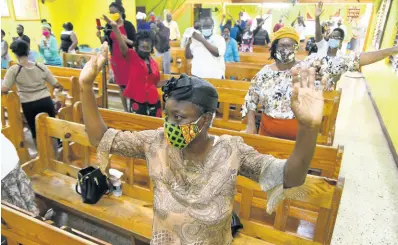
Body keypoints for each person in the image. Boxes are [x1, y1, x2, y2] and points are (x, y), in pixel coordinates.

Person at [79, 40, 325, 245]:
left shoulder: (231, 150)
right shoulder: (156, 142)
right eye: (167, 116)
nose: (170, 126)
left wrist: (308, 128)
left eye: (179, 117)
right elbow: (100, 138)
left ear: (206, 119)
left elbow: (291, 177)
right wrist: (86, 86)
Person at [243, 26, 398, 140]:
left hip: (299, 136)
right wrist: (251, 124)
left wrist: (390, 51)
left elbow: (354, 60)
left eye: (290, 45)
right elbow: (251, 99)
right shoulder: (264, 73)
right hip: (267, 135)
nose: (286, 49)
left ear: (297, 47)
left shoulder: (309, 66)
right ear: (274, 47)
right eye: (282, 45)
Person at [2, 40, 63, 140]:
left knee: (36, 133)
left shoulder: (13, 70)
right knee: (52, 131)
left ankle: (42, 154)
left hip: (29, 104)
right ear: (28, 51)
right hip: (45, 101)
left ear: (15, 53)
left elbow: (4, 89)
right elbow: (57, 85)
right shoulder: (41, 66)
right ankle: (55, 154)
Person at [103, 15, 162, 117]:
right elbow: (122, 47)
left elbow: (156, 83)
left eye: (148, 43)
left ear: (151, 46)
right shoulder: (132, 56)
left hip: (154, 101)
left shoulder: (154, 63)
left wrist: (172, 82)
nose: (145, 45)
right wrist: (116, 28)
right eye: (142, 44)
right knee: (138, 128)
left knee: (155, 128)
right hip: (138, 101)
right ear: (137, 44)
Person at [97, 1, 136, 112]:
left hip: (128, 58)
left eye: (114, 12)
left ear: (120, 12)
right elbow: (104, 42)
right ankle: (125, 110)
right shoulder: (109, 26)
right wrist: (100, 37)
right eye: (110, 12)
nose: (112, 14)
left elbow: (136, 43)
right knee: (121, 86)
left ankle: (133, 107)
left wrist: (126, 39)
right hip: (116, 59)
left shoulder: (128, 25)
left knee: (131, 84)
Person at [1, 133, 40, 216]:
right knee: (24, 209)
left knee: (18, 214)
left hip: (5, 167)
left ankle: (35, 223)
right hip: (6, 161)